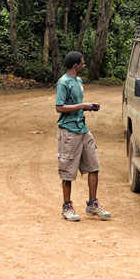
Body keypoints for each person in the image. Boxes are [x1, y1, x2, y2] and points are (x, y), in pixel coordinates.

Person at [55, 51, 111, 222]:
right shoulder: (63, 83)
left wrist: (87, 108)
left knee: (94, 166)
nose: (84, 65)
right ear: (75, 65)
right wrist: (83, 105)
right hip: (69, 132)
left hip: (83, 129)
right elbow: (59, 107)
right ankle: (67, 207)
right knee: (68, 171)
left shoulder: (78, 81)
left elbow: (75, 106)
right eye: (83, 63)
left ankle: (92, 204)